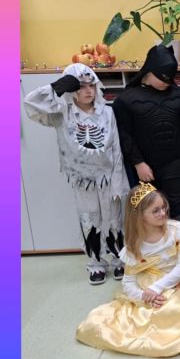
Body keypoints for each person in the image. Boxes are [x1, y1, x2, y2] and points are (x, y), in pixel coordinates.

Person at [76, 182, 180, 357]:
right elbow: (128, 281)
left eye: (164, 207)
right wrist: (144, 297)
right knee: (145, 314)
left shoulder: (177, 231)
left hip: (177, 281)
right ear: (139, 216)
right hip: (147, 287)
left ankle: (169, 335)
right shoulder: (134, 245)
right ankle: (158, 335)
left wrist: (157, 288)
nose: (163, 213)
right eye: (155, 211)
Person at [24, 63, 129, 285]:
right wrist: (58, 87)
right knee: (89, 221)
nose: (88, 90)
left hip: (107, 177)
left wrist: (118, 182)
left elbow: (116, 149)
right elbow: (31, 104)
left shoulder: (107, 112)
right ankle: (96, 264)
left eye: (92, 85)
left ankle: (118, 260)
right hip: (82, 180)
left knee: (114, 220)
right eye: (81, 86)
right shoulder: (62, 113)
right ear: (72, 89)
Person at [112, 44, 180, 257]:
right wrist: (138, 162)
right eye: (163, 77)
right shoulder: (126, 100)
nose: (167, 82)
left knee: (178, 207)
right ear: (149, 71)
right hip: (145, 164)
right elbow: (124, 135)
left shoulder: (178, 96)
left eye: (170, 78)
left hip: (175, 160)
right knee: (149, 210)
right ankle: (154, 256)